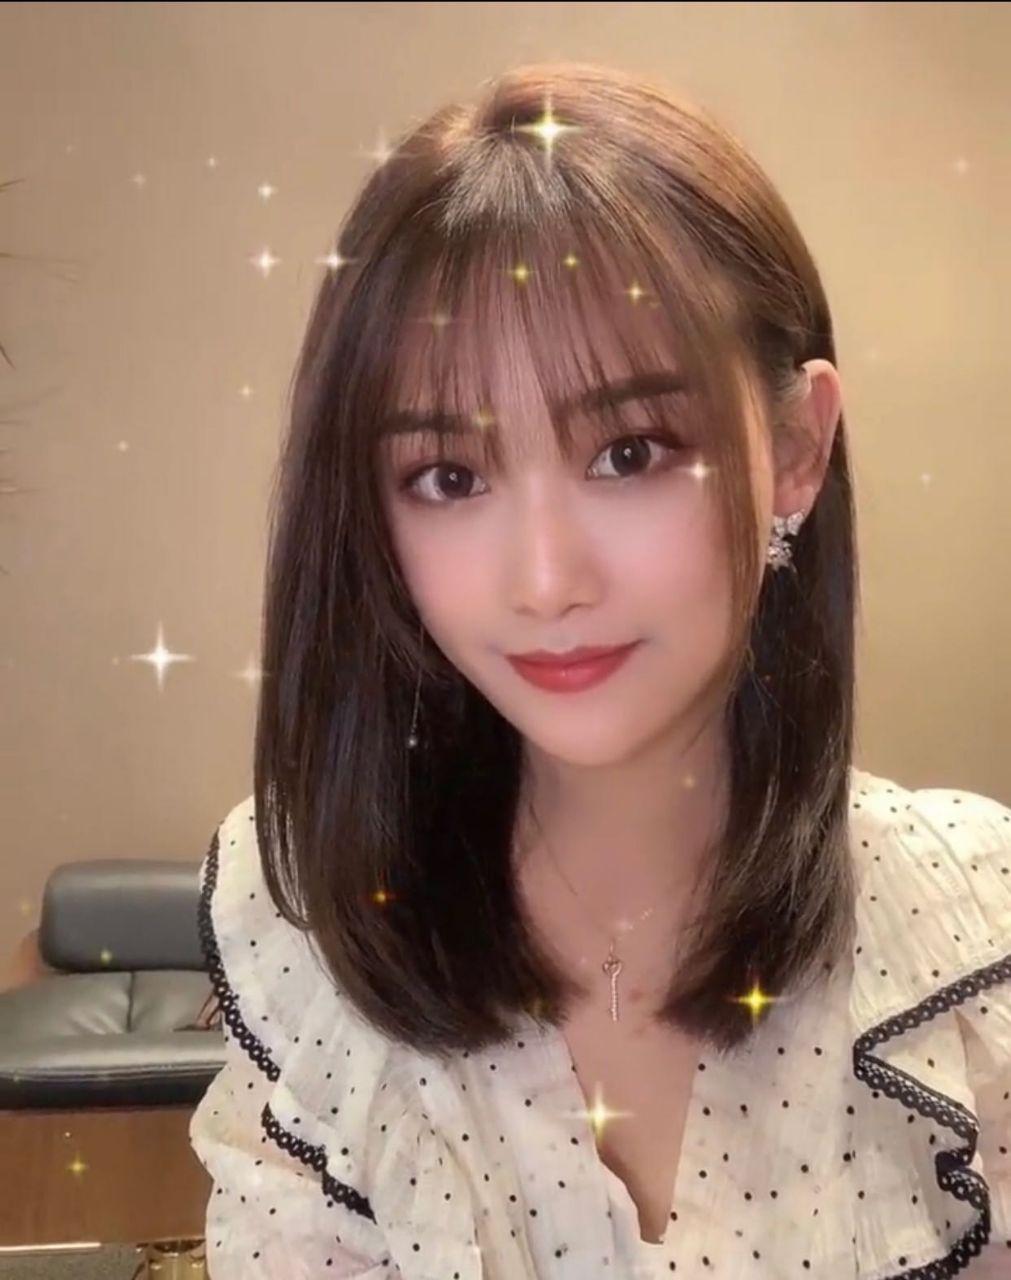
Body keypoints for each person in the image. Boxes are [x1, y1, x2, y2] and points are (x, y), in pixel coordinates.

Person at [188, 60, 1011, 1279]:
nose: (544, 579)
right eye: (448, 476)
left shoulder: (969, 927)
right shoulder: (311, 926)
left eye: (630, 452)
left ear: (795, 445)